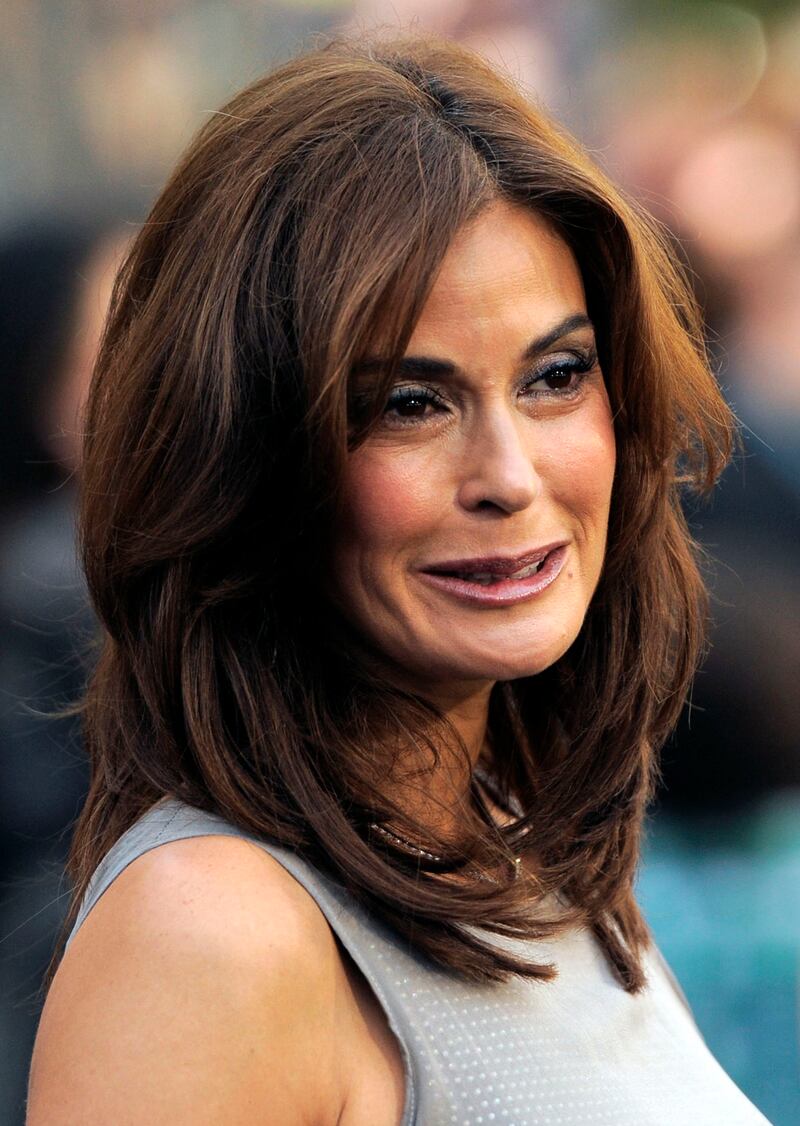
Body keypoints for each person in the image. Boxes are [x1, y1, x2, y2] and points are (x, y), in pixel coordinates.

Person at [26, 33, 771, 1126]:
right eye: (407, 404)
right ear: (243, 458)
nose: (508, 477)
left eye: (556, 375)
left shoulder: (519, 845)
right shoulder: (211, 931)